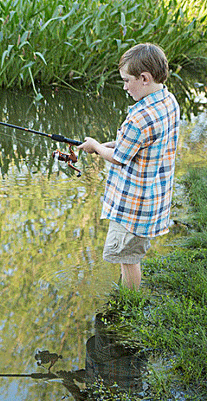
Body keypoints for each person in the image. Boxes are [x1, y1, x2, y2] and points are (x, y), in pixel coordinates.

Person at [78, 43, 180, 289]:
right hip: (153, 198)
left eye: (126, 80)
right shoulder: (168, 101)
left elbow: (119, 157)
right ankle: (128, 292)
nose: (124, 87)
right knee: (130, 255)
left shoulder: (139, 117)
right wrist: (106, 144)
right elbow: (134, 145)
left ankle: (130, 300)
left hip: (132, 206)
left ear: (144, 78)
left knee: (127, 258)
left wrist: (96, 146)